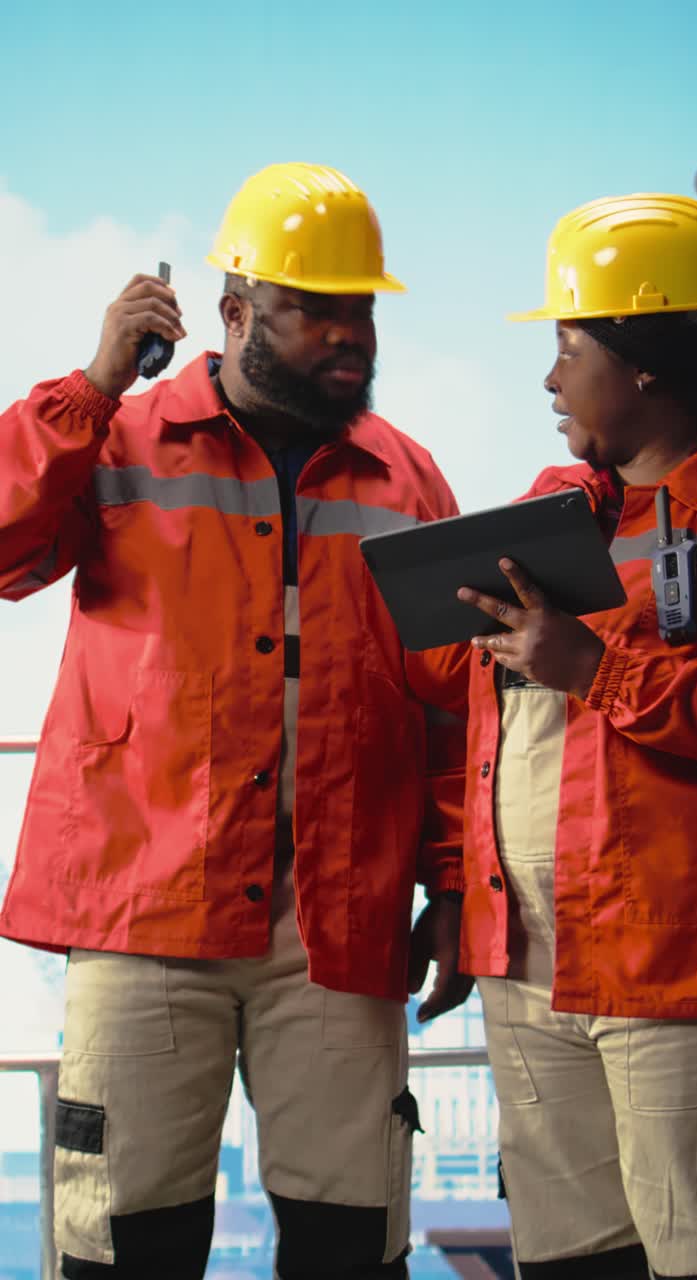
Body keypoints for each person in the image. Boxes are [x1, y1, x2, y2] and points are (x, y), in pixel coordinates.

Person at [0, 162, 472, 1279]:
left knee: (352, 1240)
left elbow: (456, 706)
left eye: (360, 310)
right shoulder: (115, 434)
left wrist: (451, 886)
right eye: (315, 310)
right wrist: (91, 382)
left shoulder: (407, 481)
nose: (347, 335)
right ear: (234, 312)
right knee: (125, 1237)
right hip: (145, 900)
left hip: (339, 927)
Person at [457, 193, 697, 1279]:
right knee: (569, 1259)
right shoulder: (565, 518)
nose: (552, 379)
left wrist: (599, 669)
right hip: (527, 972)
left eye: (570, 348)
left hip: (679, 976)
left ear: (646, 364)